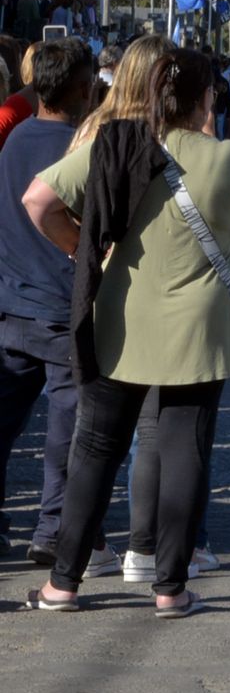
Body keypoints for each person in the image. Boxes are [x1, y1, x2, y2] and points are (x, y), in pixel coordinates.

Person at [21, 47, 230, 618]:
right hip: (201, 331)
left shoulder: (114, 145)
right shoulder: (227, 157)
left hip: (120, 320)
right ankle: (170, 589)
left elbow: (38, 201)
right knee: (185, 451)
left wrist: (86, 250)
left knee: (93, 452)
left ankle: (63, 585)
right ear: (206, 99)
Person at [0, 40, 104, 565]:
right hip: (62, 310)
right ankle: (52, 530)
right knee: (68, 427)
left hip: (12, 309)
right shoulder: (81, 151)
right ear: (84, 89)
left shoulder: (16, 138)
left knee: (2, 424)